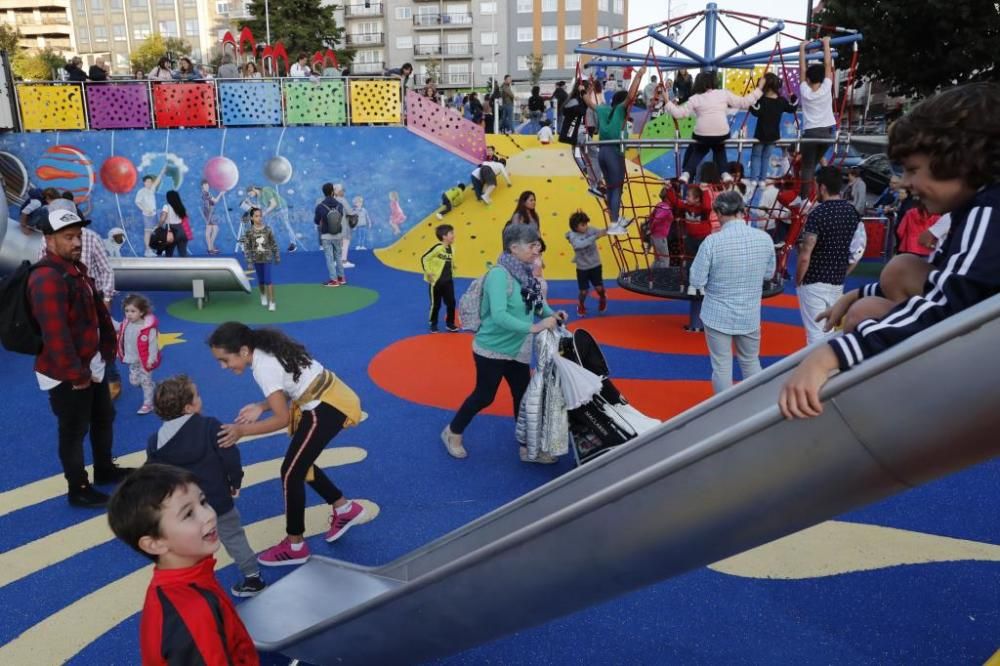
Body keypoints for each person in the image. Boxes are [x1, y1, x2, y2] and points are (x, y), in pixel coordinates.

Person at [780, 82, 1000, 419]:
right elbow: (946, 279)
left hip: (982, 358)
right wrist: (856, 294)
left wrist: (831, 355)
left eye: (913, 170)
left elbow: (949, 302)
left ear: (963, 162)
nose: (905, 183)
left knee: (864, 315)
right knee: (898, 271)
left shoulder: (989, 211)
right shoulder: (972, 208)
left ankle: (884, 407)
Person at [208, 322, 369, 565]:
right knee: (301, 465)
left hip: (324, 409)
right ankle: (345, 509)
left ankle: (295, 545)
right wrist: (261, 406)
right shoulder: (265, 347)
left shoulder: (263, 367)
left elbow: (282, 419)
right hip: (328, 397)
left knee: (290, 473)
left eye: (224, 359)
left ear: (242, 351)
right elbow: (289, 383)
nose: (223, 366)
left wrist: (241, 430)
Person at [106, 464, 259, 663]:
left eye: (203, 502)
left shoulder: (185, 582)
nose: (209, 515)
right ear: (154, 544)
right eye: (188, 514)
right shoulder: (192, 612)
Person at [30, 210, 131, 507]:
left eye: (78, 236)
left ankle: (104, 470)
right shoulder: (46, 278)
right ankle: (78, 488)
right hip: (69, 372)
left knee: (103, 418)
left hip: (91, 364)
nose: (76, 242)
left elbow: (94, 313)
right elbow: (55, 334)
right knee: (73, 430)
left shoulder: (76, 268)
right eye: (68, 237)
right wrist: (76, 374)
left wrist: (107, 349)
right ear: (49, 240)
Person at [441, 224, 567, 460]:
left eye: (536, 245)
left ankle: (527, 446)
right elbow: (499, 316)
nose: (536, 250)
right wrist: (534, 327)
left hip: (517, 349)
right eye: (531, 245)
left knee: (523, 396)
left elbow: (537, 304)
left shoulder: (526, 272)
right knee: (484, 396)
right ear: (513, 248)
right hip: (492, 349)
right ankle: (452, 432)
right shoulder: (499, 275)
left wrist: (552, 314)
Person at [144, 376, 266, 597]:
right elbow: (230, 456)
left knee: (192, 544)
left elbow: (155, 475)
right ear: (189, 407)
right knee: (233, 535)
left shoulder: (156, 442)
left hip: (187, 509)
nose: (201, 398)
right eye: (197, 395)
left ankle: (197, 585)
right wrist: (234, 481)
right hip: (219, 498)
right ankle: (252, 576)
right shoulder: (211, 427)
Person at [688, 191, 776, 393]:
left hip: (717, 313)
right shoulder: (764, 239)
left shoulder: (712, 242)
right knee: (751, 362)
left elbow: (697, 280)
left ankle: (723, 410)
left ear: (718, 212)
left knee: (721, 367)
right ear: (742, 210)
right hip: (749, 313)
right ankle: (758, 405)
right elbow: (769, 274)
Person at [794, 166, 861, 345]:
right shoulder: (852, 212)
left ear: (822, 187)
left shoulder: (817, 214)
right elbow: (858, 250)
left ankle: (818, 368)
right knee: (830, 328)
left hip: (814, 279)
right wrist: (844, 272)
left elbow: (805, 254)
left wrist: (799, 278)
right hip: (837, 280)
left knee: (815, 331)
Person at [665, 72, 764, 184]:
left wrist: (667, 101)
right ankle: (725, 173)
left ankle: (687, 172)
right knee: (719, 148)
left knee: (699, 150)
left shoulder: (695, 98)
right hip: (721, 132)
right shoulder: (723, 94)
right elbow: (744, 102)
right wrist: (759, 89)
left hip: (702, 134)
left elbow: (678, 114)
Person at [584, 66, 646, 234]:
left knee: (612, 187)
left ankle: (615, 218)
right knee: (616, 187)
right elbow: (631, 96)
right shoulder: (620, 110)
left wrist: (588, 89)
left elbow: (587, 101)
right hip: (614, 153)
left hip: (603, 151)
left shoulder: (604, 109)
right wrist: (638, 76)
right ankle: (613, 224)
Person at [798, 36, 836, 199]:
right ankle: (824, 193)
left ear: (808, 78)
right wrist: (826, 44)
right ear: (822, 78)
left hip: (811, 134)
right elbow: (828, 64)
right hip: (827, 134)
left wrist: (802, 49)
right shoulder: (827, 87)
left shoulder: (805, 91)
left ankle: (804, 198)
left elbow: (802, 69)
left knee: (807, 167)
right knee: (813, 164)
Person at [748, 72, 797, 189]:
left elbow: (754, 111)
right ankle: (762, 180)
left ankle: (754, 179)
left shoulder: (762, 100)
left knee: (756, 156)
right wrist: (793, 97)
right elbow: (793, 107)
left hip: (760, 135)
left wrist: (754, 96)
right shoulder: (781, 101)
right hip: (773, 136)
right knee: (765, 157)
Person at [115, 293, 159, 415]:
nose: (129, 314)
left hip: (145, 361)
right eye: (126, 311)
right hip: (133, 359)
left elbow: (153, 344)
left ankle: (148, 403)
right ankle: (151, 386)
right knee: (134, 381)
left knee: (145, 381)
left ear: (141, 312)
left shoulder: (148, 328)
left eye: (133, 311)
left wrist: (151, 359)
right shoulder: (126, 324)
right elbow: (118, 327)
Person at [565, 210, 608, 317]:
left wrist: (611, 229)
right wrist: (595, 237)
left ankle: (602, 297)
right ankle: (581, 304)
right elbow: (579, 245)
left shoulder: (590, 229)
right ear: (575, 227)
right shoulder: (572, 235)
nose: (586, 227)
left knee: (599, 288)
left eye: (586, 224)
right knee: (583, 291)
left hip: (595, 265)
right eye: (583, 225)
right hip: (582, 268)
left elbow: (601, 232)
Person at [240, 207, 280, 311]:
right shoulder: (249, 232)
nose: (259, 218)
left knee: (268, 280)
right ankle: (263, 295)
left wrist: (276, 256)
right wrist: (249, 261)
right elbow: (247, 247)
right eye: (256, 216)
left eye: (260, 215)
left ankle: (272, 301)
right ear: (252, 218)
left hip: (267, 258)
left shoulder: (267, 229)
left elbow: (273, 243)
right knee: (261, 280)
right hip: (256, 259)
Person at [422, 224, 458, 333]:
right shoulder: (438, 248)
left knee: (451, 302)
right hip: (436, 282)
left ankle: (450, 323)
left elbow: (448, 262)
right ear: (444, 236)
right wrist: (428, 272)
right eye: (451, 233)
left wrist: (453, 267)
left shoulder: (452, 248)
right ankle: (433, 323)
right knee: (436, 304)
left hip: (448, 281)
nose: (453, 235)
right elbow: (425, 258)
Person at [314, 183, 346, 287]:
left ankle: (334, 280)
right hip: (338, 234)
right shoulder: (339, 205)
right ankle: (341, 278)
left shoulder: (320, 206)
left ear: (323, 192)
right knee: (338, 256)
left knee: (329, 258)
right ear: (333, 192)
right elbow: (340, 218)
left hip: (326, 235)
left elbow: (316, 221)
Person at [135, 167, 166, 257]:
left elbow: (158, 180)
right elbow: (137, 202)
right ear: (144, 183)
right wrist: (144, 209)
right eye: (147, 181)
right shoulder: (141, 191)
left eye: (150, 182)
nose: (149, 183)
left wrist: (162, 171)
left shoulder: (152, 189)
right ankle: (147, 250)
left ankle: (159, 249)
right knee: (148, 232)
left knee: (158, 231)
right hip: (147, 215)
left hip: (154, 213)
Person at [647, 185, 675, 268]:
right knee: (665, 260)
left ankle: (651, 275)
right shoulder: (666, 208)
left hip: (655, 236)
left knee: (658, 259)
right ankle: (662, 277)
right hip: (660, 237)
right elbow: (656, 218)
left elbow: (651, 217)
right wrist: (651, 229)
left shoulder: (660, 204)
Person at [158, 190, 190, 257]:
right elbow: (186, 218)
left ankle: (169, 267)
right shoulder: (181, 207)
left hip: (171, 232)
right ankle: (186, 267)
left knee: (169, 254)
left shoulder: (166, 206)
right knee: (183, 254)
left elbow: (163, 219)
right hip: (182, 231)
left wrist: (159, 226)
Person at [200, 180, 222, 255]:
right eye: (205, 185)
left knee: (214, 229)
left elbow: (212, 203)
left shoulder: (207, 193)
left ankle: (211, 247)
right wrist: (220, 194)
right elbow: (215, 201)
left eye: (207, 185)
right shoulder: (205, 193)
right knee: (210, 230)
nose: (207, 186)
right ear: (202, 187)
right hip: (208, 213)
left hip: (210, 212)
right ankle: (210, 248)